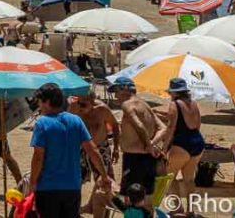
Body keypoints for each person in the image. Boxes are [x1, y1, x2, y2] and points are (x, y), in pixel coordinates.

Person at [30, 83, 112, 218]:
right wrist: (104, 175)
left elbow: (38, 157)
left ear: (47, 102)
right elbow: (92, 150)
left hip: (48, 187)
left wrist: (33, 182)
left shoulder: (42, 123)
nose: (38, 105)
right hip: (72, 186)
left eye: (39, 101)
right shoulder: (76, 121)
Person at [109, 77, 166, 211]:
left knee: (130, 199)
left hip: (134, 159)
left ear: (124, 89)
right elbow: (163, 127)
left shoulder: (127, 104)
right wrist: (151, 144)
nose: (115, 96)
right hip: (149, 158)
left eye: (116, 91)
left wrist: (149, 144)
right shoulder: (144, 104)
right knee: (147, 197)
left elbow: (139, 125)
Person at [68, 91, 121, 217]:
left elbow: (115, 126)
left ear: (92, 102)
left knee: (105, 181)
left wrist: (116, 149)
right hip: (80, 148)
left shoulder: (102, 110)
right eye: (79, 102)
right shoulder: (74, 108)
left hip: (100, 147)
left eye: (83, 104)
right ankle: (76, 210)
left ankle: (102, 212)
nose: (80, 107)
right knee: (76, 180)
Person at [163, 78, 205, 211]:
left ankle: (178, 209)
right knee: (189, 179)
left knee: (169, 177)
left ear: (174, 93)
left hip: (182, 143)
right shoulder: (194, 103)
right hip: (197, 141)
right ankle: (191, 210)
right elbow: (198, 124)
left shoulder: (174, 105)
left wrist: (164, 147)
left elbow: (171, 127)